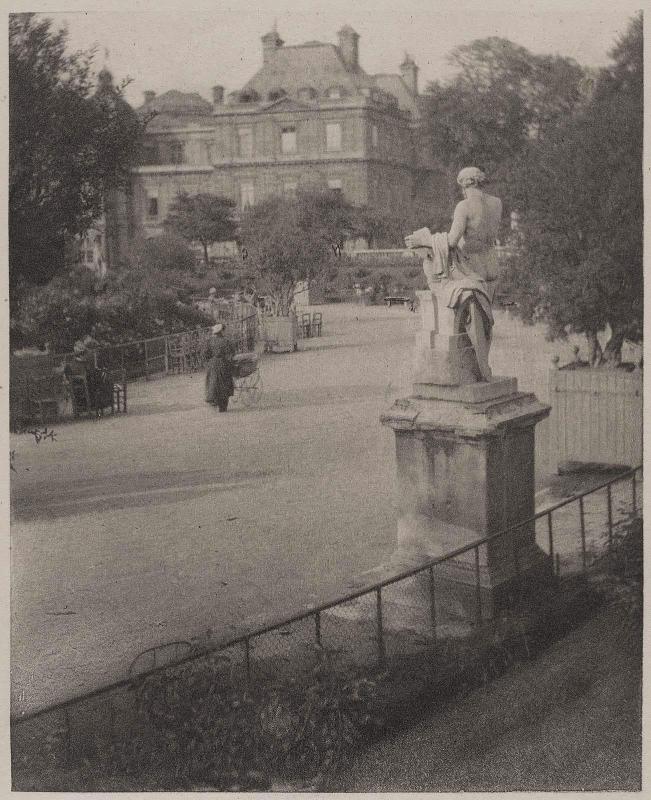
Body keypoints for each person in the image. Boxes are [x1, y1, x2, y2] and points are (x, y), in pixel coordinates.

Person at [205, 323, 236, 412]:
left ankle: (215, 401)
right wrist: (230, 362)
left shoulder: (210, 341)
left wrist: (210, 361)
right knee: (224, 383)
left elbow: (206, 354)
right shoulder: (226, 341)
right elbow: (231, 353)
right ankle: (223, 406)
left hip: (213, 364)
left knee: (213, 383)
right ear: (222, 331)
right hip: (223, 364)